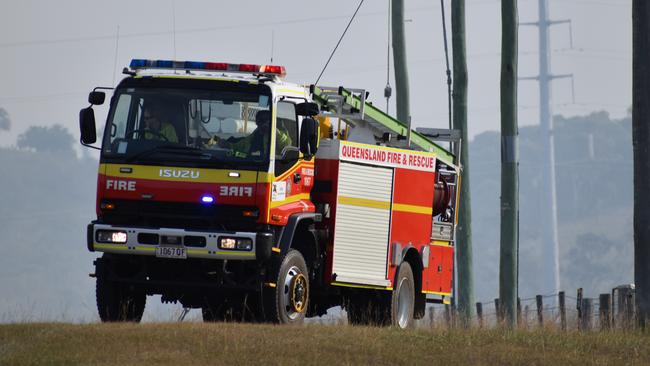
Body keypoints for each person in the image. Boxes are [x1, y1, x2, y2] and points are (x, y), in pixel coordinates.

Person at [210, 110, 291, 158]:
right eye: (260, 120)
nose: (263, 123)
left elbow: (287, 144)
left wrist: (273, 130)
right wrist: (227, 145)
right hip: (250, 162)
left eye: (266, 120)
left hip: (267, 166)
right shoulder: (255, 134)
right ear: (256, 122)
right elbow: (239, 146)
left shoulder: (278, 133)